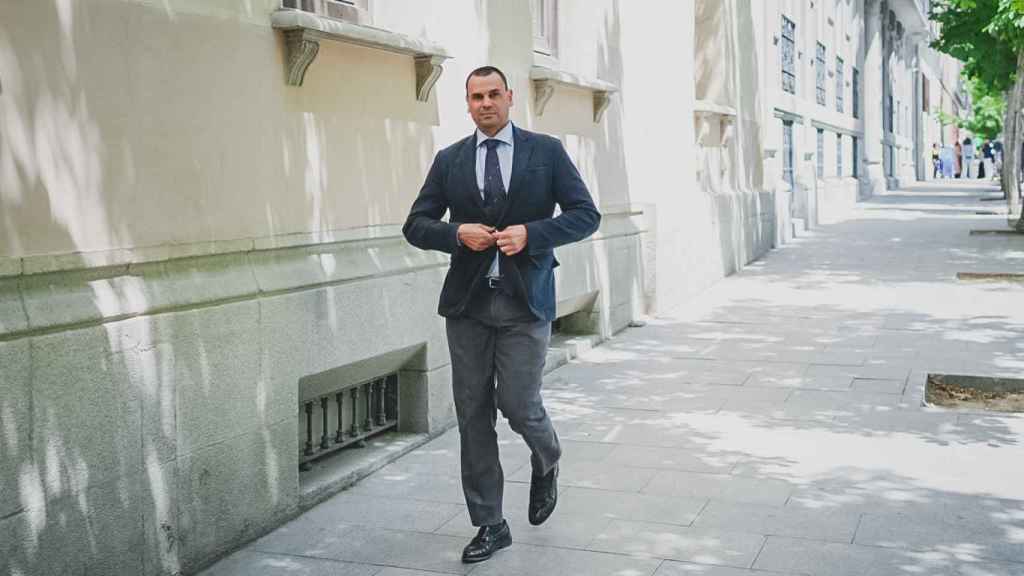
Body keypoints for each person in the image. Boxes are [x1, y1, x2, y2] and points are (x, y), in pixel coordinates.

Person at [403, 65, 600, 564]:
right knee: (472, 415)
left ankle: (547, 455)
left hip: (524, 301)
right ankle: (491, 523)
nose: (485, 103)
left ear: (510, 98)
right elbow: (416, 224)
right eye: (476, 97)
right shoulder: (450, 161)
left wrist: (533, 234)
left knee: (517, 402)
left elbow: (585, 214)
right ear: (467, 104)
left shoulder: (546, 152)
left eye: (493, 94)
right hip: (467, 305)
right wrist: (455, 234)